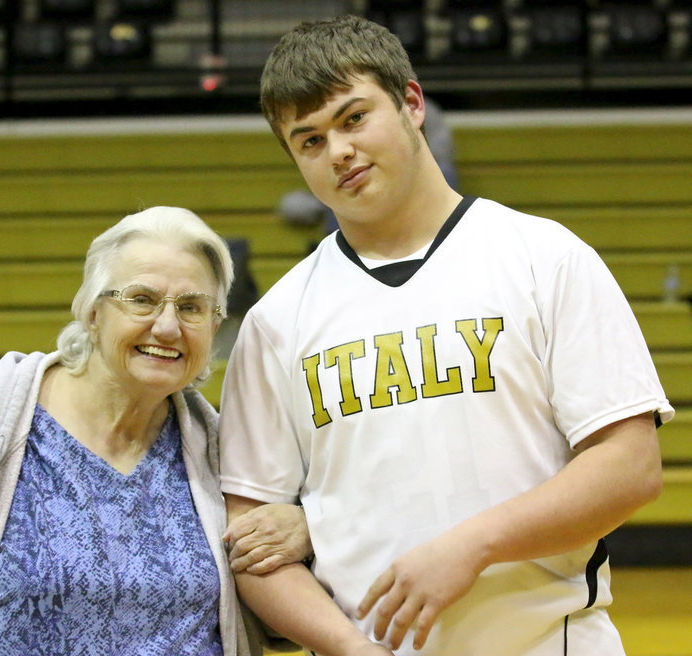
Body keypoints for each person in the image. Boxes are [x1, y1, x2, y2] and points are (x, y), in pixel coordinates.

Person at [219, 14, 674, 656]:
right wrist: (350, 649)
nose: (339, 151)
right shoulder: (275, 321)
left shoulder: (544, 257)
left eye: (353, 119)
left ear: (411, 102)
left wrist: (473, 543)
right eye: (310, 141)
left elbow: (630, 467)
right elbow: (254, 543)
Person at [0, 206, 309, 656]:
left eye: (192, 307)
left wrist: (309, 530)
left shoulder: (223, 451)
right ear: (93, 312)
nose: (168, 327)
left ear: (214, 326)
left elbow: (280, 626)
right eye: (142, 299)